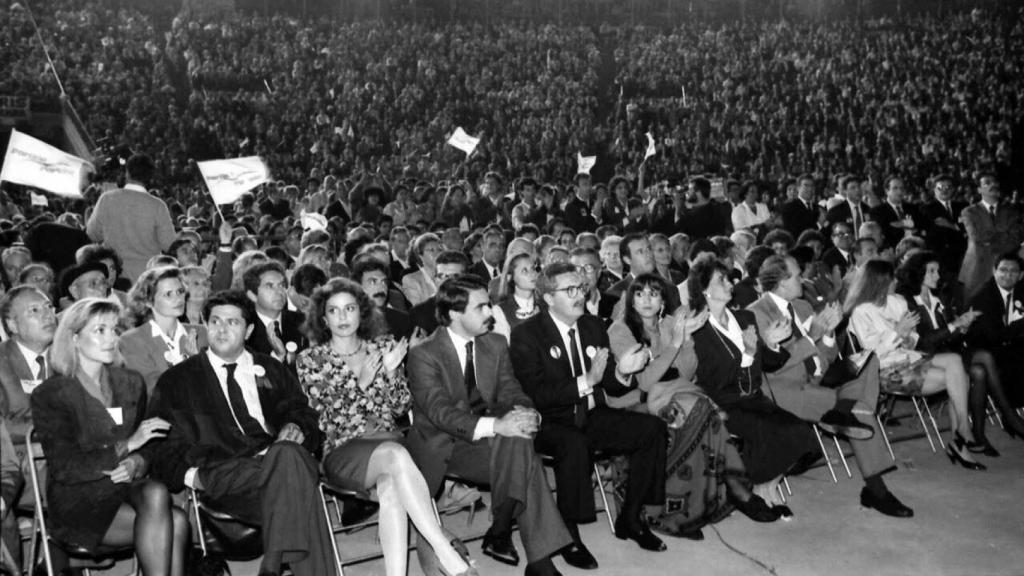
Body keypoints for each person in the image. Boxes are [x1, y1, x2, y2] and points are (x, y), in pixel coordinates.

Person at [143, 290, 335, 576]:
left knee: (287, 459)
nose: (222, 329)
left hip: (276, 460)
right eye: (216, 321)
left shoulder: (271, 367)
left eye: (232, 323)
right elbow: (159, 442)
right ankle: (273, 563)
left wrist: (296, 426)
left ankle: (272, 561)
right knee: (297, 477)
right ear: (206, 325)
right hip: (224, 471)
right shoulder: (178, 380)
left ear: (249, 331)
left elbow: (302, 412)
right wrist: (189, 476)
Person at [296, 279, 474, 576]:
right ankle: (446, 552)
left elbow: (401, 407)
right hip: (343, 450)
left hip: (391, 442)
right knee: (394, 456)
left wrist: (392, 373)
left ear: (361, 313)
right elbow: (326, 420)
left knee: (392, 486)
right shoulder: (311, 360)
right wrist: (362, 383)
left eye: (349, 308)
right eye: (334, 310)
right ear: (323, 318)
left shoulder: (383, 347)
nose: (342, 317)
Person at [405, 274, 572, 576]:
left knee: (519, 440)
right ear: (454, 314)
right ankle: (522, 547)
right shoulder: (424, 354)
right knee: (525, 456)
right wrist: (499, 426)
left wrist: (527, 412)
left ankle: (504, 533)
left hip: (492, 441)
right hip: (446, 445)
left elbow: (511, 391)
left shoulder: (493, 344)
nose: (490, 314)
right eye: (481, 307)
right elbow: (440, 413)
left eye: (490, 305)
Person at [510, 262, 668, 564]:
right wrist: (587, 382)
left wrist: (622, 372)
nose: (579, 295)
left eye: (581, 288)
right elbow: (537, 395)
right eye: (569, 290)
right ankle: (568, 533)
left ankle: (631, 517)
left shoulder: (593, 326)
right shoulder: (526, 335)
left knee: (652, 429)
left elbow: (610, 382)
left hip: (592, 414)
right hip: (549, 421)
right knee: (574, 444)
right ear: (547, 298)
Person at [607, 273, 781, 538]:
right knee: (703, 413)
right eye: (639, 294)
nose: (647, 300)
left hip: (673, 395)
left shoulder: (669, 324)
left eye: (654, 293)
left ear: (663, 300)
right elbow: (644, 381)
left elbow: (686, 374)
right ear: (631, 300)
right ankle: (734, 491)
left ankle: (696, 507)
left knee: (705, 414)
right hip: (633, 403)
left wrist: (685, 340)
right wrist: (677, 342)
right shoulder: (621, 330)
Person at [30, 297, 188, 575]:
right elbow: (66, 467)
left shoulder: (130, 383)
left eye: (115, 329)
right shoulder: (51, 395)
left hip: (128, 490)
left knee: (156, 492)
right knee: (175, 521)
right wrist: (125, 446)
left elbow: (150, 443)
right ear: (74, 338)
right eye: (99, 330)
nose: (111, 338)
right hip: (80, 499)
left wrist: (136, 462)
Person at [749, 255, 912, 517]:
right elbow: (772, 366)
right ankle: (876, 490)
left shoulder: (802, 306)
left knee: (868, 360)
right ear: (780, 283)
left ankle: (844, 413)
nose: (802, 278)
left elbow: (825, 356)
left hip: (817, 379)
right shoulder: (756, 312)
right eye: (796, 275)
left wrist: (827, 334)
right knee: (859, 412)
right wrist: (812, 336)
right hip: (784, 389)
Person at [687, 254, 818, 505]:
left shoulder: (744, 318)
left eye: (727, 279)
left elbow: (770, 363)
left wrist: (770, 343)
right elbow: (714, 379)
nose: (730, 284)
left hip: (755, 398)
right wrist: (747, 354)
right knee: (775, 434)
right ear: (704, 290)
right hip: (724, 402)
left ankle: (766, 485)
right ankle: (754, 491)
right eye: (721, 280)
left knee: (803, 437)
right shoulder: (698, 329)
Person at [845, 259, 984, 470]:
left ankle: (962, 430)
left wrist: (907, 336)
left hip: (908, 357)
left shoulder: (897, 301)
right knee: (959, 379)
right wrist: (897, 333)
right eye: (891, 278)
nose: (895, 282)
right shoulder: (861, 312)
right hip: (884, 369)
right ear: (880, 282)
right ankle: (961, 438)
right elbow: (872, 354)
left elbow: (914, 338)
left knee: (955, 362)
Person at [896, 251, 1024, 451]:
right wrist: (954, 326)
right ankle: (1005, 417)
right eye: (932, 271)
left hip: (948, 352)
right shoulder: (907, 302)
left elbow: (952, 335)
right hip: (926, 357)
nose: (938, 276)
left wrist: (961, 327)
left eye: (938, 271)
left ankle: (980, 434)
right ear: (918, 273)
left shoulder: (939, 297)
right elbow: (923, 343)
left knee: (980, 369)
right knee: (984, 360)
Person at [85, 154, 177, 282]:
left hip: (115, 277)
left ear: (127, 173)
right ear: (150, 177)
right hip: (147, 278)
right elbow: (170, 245)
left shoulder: (106, 199)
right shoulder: (158, 206)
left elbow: (92, 234)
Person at [120, 267, 207, 393]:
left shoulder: (202, 333)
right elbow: (154, 390)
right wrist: (193, 363)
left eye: (180, 291)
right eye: (168, 294)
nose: (178, 298)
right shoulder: (132, 340)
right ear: (148, 301)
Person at [966, 252, 1024, 414]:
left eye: (1013, 271)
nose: (1008, 275)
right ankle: (1010, 413)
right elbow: (994, 336)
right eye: (1003, 270)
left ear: (1021, 275)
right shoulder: (983, 297)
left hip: (1010, 342)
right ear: (994, 271)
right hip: (985, 348)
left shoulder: (1021, 291)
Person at [958, 174, 1023, 299]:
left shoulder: (1012, 211)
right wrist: (1005, 234)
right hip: (977, 268)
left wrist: (992, 240)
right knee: (974, 310)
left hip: (1005, 267)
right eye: (987, 183)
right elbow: (978, 237)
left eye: (995, 182)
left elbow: (1016, 238)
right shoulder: (969, 212)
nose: (992, 185)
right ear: (979, 190)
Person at [242, 261, 307, 365]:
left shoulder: (304, 321)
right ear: (252, 295)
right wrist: (277, 357)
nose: (279, 292)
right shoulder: (245, 333)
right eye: (270, 286)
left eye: (281, 285)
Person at [491, 252, 542, 341]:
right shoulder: (500, 311)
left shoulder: (545, 305)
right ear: (511, 277)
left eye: (533, 269)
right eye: (525, 271)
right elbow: (503, 349)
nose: (533, 274)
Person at [402, 233, 443, 306]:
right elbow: (417, 310)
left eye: (439, 250)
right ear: (421, 256)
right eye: (431, 250)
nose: (437, 253)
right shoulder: (411, 279)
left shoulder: (447, 276)